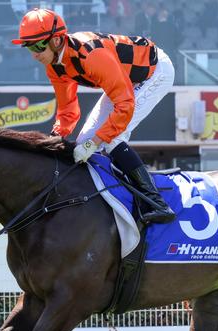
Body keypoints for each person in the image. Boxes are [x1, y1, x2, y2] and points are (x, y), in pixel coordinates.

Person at [11, 8, 175, 223]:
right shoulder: (54, 66)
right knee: (82, 142)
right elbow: (67, 110)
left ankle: (157, 202)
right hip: (125, 79)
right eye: (29, 47)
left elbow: (124, 105)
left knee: (111, 138)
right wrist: (54, 139)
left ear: (57, 40)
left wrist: (96, 141)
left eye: (38, 45)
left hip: (155, 72)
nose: (34, 54)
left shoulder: (92, 55)